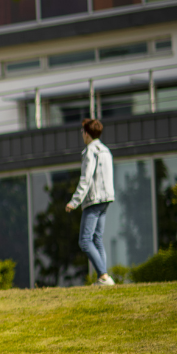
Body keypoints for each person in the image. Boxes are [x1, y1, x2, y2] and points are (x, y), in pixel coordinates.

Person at [65, 118, 116, 285]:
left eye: (82, 132)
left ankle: (103, 276)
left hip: (93, 200)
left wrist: (74, 201)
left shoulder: (90, 151)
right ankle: (103, 278)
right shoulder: (106, 150)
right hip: (106, 198)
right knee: (97, 239)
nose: (82, 135)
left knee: (85, 241)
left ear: (86, 133)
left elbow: (85, 179)